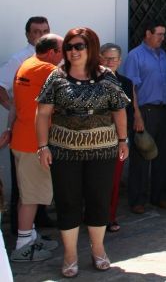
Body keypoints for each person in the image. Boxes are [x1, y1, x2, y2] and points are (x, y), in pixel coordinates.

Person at [36, 27, 129, 278]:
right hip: (64, 151)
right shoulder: (56, 76)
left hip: (101, 150)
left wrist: (123, 139)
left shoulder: (107, 77)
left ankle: (98, 249)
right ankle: (70, 255)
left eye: (79, 46)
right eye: (69, 47)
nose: (73, 51)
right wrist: (43, 146)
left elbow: (119, 110)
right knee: (68, 202)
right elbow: (43, 113)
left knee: (99, 200)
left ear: (91, 48)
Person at [6, 34, 63, 263]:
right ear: (51, 52)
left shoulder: (27, 64)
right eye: (63, 50)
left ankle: (30, 236)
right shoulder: (48, 70)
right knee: (30, 197)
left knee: (26, 193)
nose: (65, 54)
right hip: (33, 144)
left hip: (22, 139)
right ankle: (22, 245)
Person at [122, 20, 166, 214]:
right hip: (144, 110)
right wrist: (136, 115)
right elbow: (131, 88)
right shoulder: (135, 56)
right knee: (141, 156)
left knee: (161, 156)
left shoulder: (163, 55)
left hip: (163, 110)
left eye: (163, 34)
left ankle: (159, 196)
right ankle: (137, 199)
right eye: (159, 34)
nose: (162, 38)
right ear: (147, 33)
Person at [100, 43, 135, 233]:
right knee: (95, 181)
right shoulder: (92, 81)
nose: (109, 62)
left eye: (113, 58)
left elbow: (129, 110)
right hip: (96, 138)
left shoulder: (126, 83)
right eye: (106, 58)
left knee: (114, 181)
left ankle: (110, 217)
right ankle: (93, 216)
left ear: (119, 61)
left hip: (118, 138)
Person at [0, 16, 50, 112]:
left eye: (45, 31)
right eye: (36, 32)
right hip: (27, 122)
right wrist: (17, 112)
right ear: (27, 35)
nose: (42, 36)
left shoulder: (56, 57)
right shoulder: (19, 59)